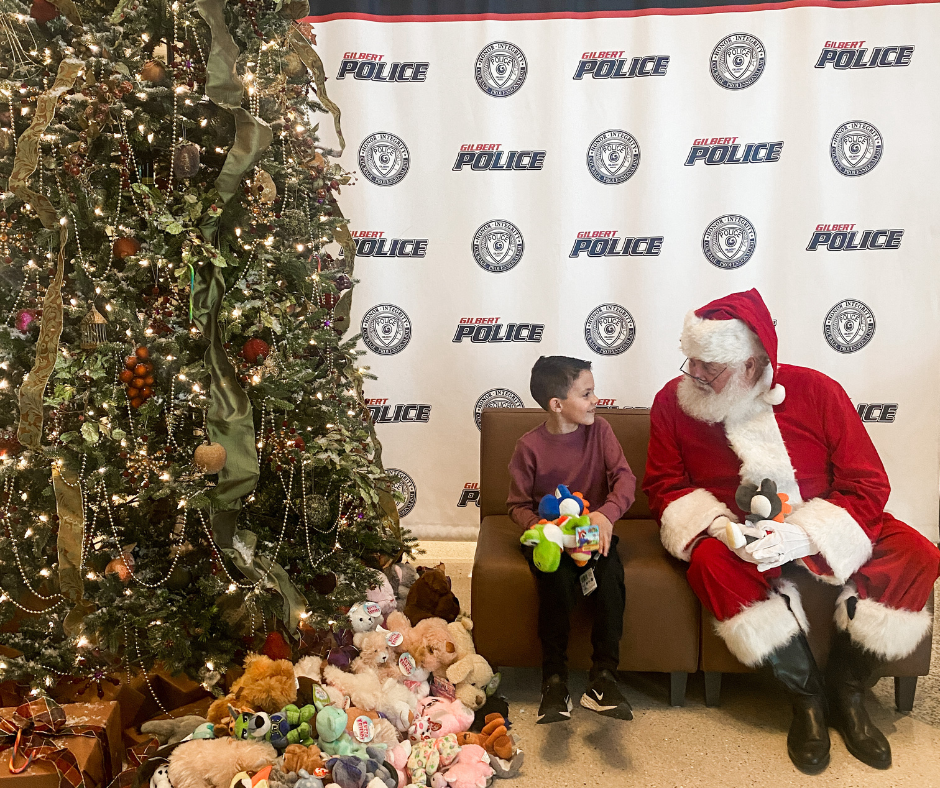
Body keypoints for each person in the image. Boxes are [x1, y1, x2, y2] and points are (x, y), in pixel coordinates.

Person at [643, 289, 940, 773]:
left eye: (709, 366)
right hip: (740, 532)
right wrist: (721, 530)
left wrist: (808, 535)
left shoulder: (818, 391)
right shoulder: (672, 404)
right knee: (709, 565)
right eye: (690, 361)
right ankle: (806, 700)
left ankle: (847, 693)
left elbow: (866, 483)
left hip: (826, 518)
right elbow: (665, 487)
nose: (693, 374)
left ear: (753, 363)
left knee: (919, 553)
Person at [507, 356, 637, 724]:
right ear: (557, 404)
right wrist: (545, 531)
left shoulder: (601, 432)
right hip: (549, 540)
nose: (596, 399)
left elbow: (625, 480)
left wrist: (605, 514)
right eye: (587, 393)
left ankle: (604, 677)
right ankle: (554, 680)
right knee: (555, 581)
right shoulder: (528, 446)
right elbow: (516, 505)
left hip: (591, 532)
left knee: (610, 575)